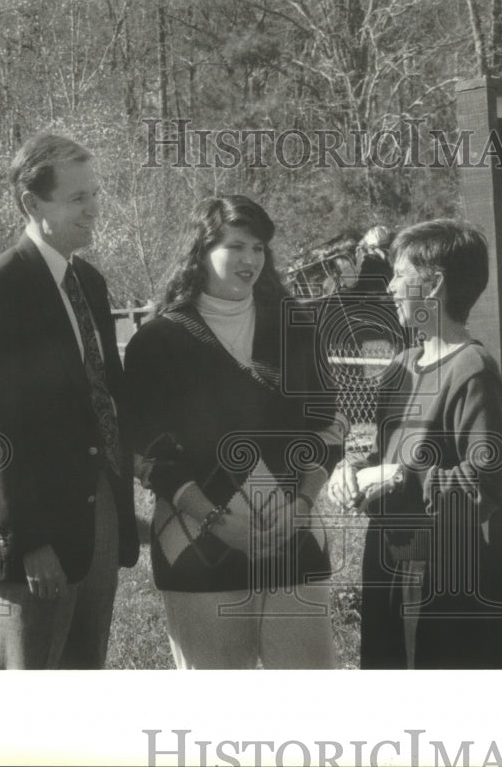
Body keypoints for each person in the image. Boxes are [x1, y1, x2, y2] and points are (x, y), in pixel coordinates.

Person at [123, 195, 342, 669]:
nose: (250, 260)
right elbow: (146, 451)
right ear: (200, 251)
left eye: (259, 247)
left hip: (294, 541)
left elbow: (329, 426)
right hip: (196, 548)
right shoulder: (159, 341)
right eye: (235, 246)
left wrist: (302, 506)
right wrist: (217, 521)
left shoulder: (295, 329)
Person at [0, 133, 140, 669]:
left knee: (81, 680)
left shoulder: (90, 283)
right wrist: (30, 539)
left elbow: (107, 396)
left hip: (99, 512)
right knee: (22, 695)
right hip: (33, 532)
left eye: (96, 194)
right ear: (32, 204)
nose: (94, 209)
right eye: (78, 197)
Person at [329, 219, 502, 668]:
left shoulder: (472, 371)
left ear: (434, 287)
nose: (390, 287)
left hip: (438, 577)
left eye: (400, 275)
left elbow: (484, 486)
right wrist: (351, 469)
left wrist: (401, 479)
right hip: (386, 561)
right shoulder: (400, 366)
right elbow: (387, 453)